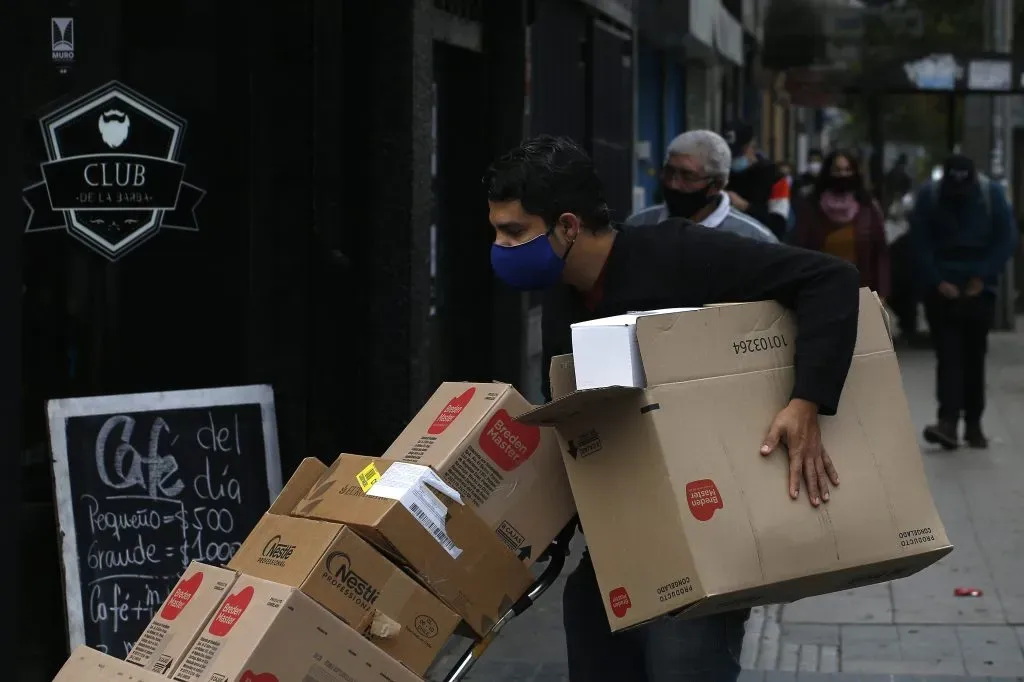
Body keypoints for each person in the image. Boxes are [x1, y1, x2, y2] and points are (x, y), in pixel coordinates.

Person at [485, 135, 860, 682]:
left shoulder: (679, 252)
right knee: (592, 643)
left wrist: (806, 401)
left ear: (567, 226)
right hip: (619, 537)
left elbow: (831, 280)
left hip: (708, 534)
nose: (499, 246)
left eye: (513, 231)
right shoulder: (563, 293)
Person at [909, 154, 1019, 450]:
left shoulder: (990, 195)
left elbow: (1005, 239)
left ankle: (973, 423)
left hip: (979, 291)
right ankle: (948, 421)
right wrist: (936, 280)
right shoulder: (930, 196)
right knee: (948, 355)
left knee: (974, 356)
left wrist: (981, 277)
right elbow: (919, 240)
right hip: (941, 288)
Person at [625, 130, 778, 243]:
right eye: (669, 172)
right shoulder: (637, 226)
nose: (673, 184)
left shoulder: (754, 239)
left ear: (716, 185)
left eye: (688, 176)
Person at [790, 149, 890, 300]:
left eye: (847, 170)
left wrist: (881, 293)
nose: (843, 175)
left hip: (861, 294)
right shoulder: (811, 207)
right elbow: (799, 249)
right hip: (820, 293)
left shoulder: (867, 208)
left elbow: (880, 252)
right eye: (837, 170)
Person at [720, 120, 791, 240]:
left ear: (752, 147)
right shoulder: (719, 173)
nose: (732, 158)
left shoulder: (775, 178)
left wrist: (746, 207)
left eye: (737, 154)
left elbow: (779, 226)